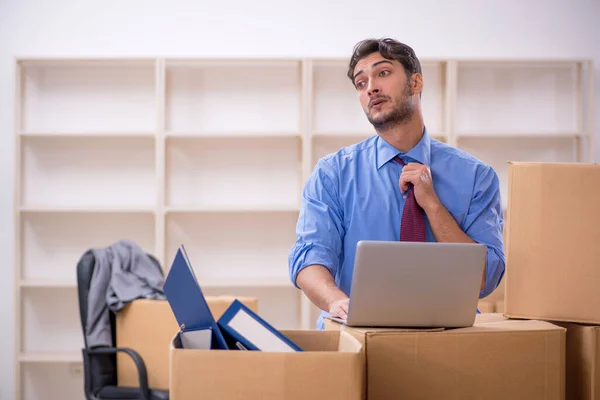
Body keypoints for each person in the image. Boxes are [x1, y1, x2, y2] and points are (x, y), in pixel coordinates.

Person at [288, 37, 505, 329]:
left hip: (448, 339)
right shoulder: (333, 174)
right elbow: (308, 257)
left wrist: (433, 206)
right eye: (361, 83)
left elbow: (484, 278)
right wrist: (336, 301)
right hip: (356, 334)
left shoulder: (476, 177)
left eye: (383, 73)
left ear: (416, 83)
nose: (371, 87)